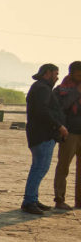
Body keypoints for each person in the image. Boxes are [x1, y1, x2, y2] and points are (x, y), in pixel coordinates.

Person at [22, 63, 68, 215]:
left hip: (39, 134)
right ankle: (29, 201)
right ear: (48, 73)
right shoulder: (42, 89)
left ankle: (32, 198)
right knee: (39, 168)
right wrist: (58, 126)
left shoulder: (40, 87)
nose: (57, 77)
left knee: (39, 167)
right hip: (43, 135)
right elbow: (43, 111)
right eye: (56, 74)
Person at [52, 61, 81, 211]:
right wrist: (77, 92)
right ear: (72, 73)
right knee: (63, 167)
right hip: (69, 133)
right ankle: (59, 198)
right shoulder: (61, 90)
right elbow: (61, 108)